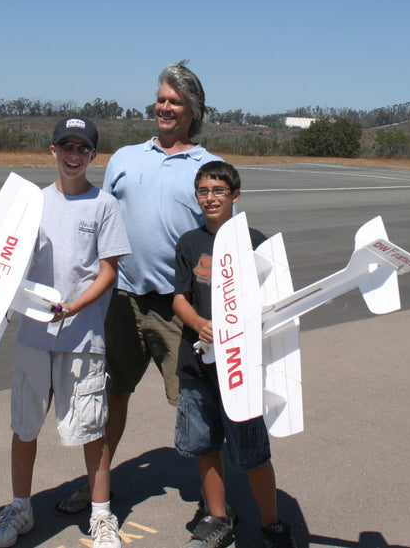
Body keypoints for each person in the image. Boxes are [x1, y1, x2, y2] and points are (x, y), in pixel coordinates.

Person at [56, 60, 225, 516]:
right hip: (121, 301)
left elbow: (219, 240)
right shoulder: (126, 159)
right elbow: (95, 221)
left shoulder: (207, 167)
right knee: (110, 398)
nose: (165, 107)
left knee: (197, 403)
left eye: (176, 101)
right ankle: (96, 490)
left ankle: (215, 510)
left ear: (193, 111)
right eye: (162, 99)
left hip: (177, 306)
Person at [0, 116, 131, 548]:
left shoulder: (104, 205)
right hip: (34, 337)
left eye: (82, 148)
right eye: (65, 146)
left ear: (92, 156)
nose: (73, 155)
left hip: (83, 338)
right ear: (52, 151)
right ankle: (19, 508)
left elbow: (109, 271)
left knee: (92, 428)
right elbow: (7, 264)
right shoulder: (33, 204)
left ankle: (101, 516)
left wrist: (76, 307)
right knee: (25, 426)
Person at [172, 161, 295, 548]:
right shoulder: (189, 243)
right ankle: (218, 516)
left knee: (253, 451)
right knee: (205, 446)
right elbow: (178, 298)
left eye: (219, 191)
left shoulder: (256, 242)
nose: (210, 198)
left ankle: (272, 523)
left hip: (242, 370)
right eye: (203, 191)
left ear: (235, 196)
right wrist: (198, 323)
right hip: (198, 366)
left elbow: (275, 305)